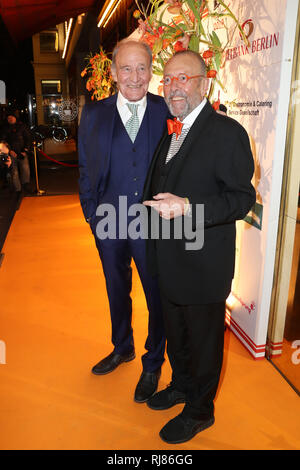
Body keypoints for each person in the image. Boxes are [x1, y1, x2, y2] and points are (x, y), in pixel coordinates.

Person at [143, 50, 256, 444]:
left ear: (204, 83)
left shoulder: (227, 133)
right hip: (169, 261)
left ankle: (200, 410)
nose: (174, 87)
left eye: (183, 78)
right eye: (169, 80)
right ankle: (182, 385)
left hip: (204, 268)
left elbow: (241, 200)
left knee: (205, 343)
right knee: (177, 336)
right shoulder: (171, 128)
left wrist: (187, 207)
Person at [78, 39, 169, 403]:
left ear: (151, 71)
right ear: (113, 73)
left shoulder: (166, 112)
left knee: (157, 295)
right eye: (126, 69)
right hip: (108, 221)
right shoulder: (94, 114)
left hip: (154, 225)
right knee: (116, 289)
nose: (134, 77)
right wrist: (90, 214)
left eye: (142, 68)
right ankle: (122, 346)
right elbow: (86, 167)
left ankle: (152, 360)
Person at [0, 111, 32, 193]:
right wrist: (9, 151)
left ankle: (26, 186)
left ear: (15, 117)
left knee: (25, 169)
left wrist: (25, 150)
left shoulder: (22, 126)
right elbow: (3, 141)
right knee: (14, 172)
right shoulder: (4, 128)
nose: (10, 119)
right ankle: (18, 189)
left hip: (22, 152)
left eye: (11, 117)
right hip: (11, 153)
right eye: (8, 118)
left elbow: (28, 139)